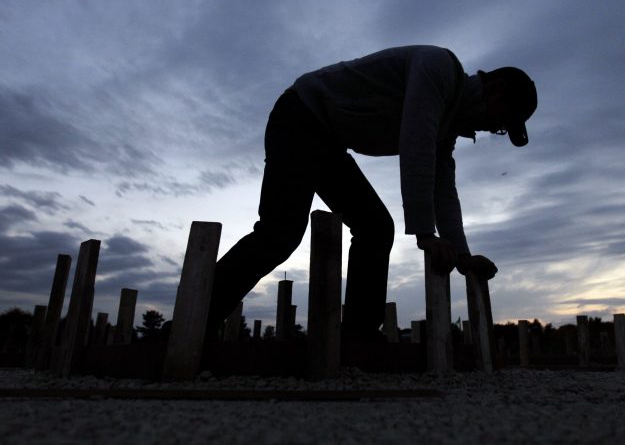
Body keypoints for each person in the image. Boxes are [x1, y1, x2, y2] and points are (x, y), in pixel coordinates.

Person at [206, 45, 537, 341]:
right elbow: (416, 146)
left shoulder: (447, 121)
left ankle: (357, 339)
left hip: (326, 138)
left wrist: (462, 257)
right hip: (300, 115)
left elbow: (442, 187)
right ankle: (195, 318)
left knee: (375, 228)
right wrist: (424, 233)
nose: (492, 129)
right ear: (496, 91)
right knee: (280, 233)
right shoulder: (439, 69)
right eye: (501, 123)